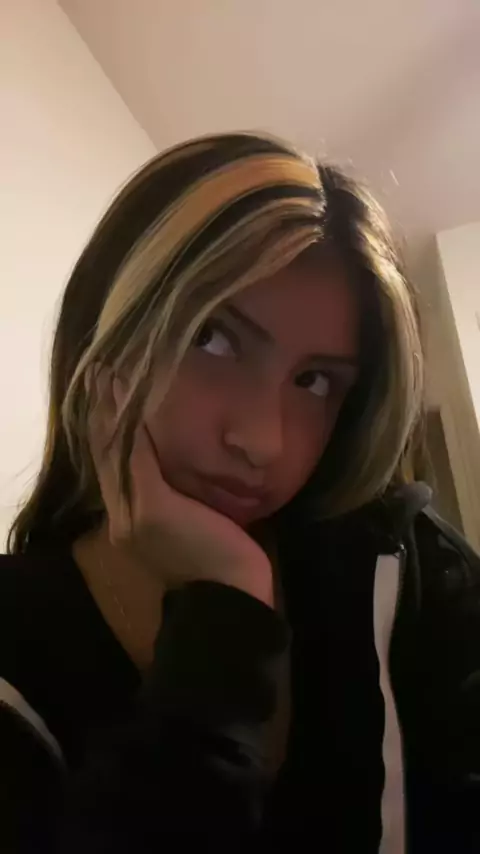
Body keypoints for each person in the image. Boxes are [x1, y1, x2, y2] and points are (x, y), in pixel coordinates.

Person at [1, 132, 479, 854]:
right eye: (214, 340)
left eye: (314, 381)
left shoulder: (405, 567)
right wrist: (227, 614)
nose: (264, 441)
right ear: (105, 339)